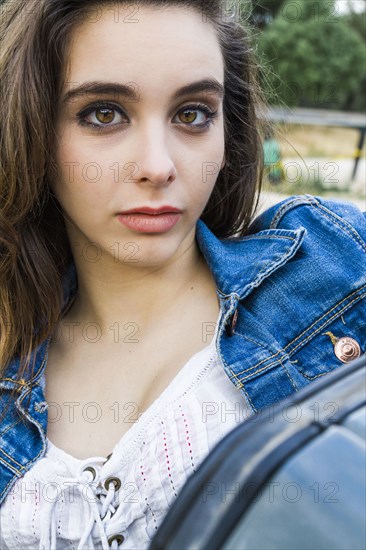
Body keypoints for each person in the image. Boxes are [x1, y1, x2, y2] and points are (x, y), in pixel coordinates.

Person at [0, 1, 365, 549]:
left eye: (192, 113)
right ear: (31, 131)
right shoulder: (10, 346)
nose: (158, 164)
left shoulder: (334, 266)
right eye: (104, 113)